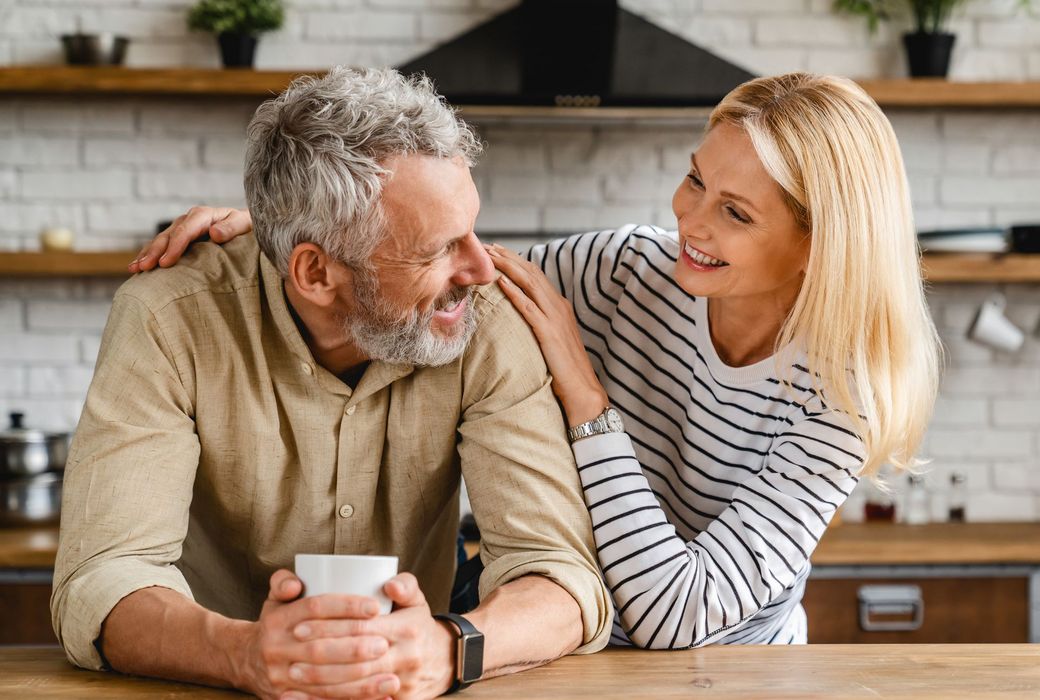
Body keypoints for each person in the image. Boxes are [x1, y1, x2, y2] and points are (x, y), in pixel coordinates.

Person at [136, 72, 940, 649]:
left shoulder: (842, 397)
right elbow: (427, 266)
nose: (688, 220)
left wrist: (586, 400)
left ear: (819, 245)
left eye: (733, 213)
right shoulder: (628, 268)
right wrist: (288, 226)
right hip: (557, 649)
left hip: (725, 672)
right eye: (693, 180)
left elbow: (678, 613)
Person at [53, 66, 611, 700]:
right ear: (315, 272)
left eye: (473, 229)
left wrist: (452, 648)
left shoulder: (482, 319)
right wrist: (240, 654)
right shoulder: (168, 318)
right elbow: (103, 581)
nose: (481, 267)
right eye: (436, 249)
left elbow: (561, 579)